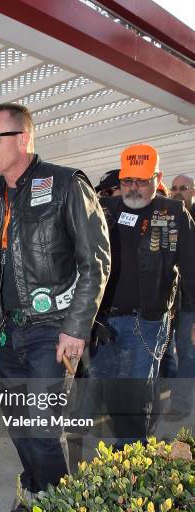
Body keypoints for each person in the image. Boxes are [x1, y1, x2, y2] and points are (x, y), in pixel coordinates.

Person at [0, 102, 110, 512]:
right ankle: (40, 498)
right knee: (19, 425)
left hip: (52, 327)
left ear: (25, 138)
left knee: (42, 425)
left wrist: (76, 328)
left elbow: (95, 262)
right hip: (10, 331)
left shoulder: (66, 184)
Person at [90, 144, 195, 445]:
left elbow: (192, 267)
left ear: (157, 177)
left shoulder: (173, 213)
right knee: (110, 391)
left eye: (141, 181)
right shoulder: (105, 210)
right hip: (105, 322)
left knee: (136, 395)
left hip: (146, 320)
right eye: (127, 181)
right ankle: (129, 447)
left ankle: (132, 452)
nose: (133, 188)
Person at [168, 174, 195, 419]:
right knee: (166, 351)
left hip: (190, 302)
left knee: (186, 350)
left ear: (193, 192)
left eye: (183, 188)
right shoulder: (167, 218)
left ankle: (180, 403)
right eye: (174, 188)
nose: (177, 192)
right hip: (168, 301)